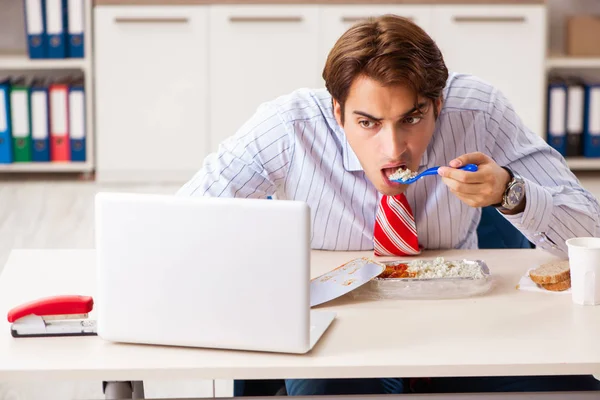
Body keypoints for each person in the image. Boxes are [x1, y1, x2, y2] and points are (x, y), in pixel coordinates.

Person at [177, 14, 600, 395]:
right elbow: (182, 227)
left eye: (412, 119)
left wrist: (512, 192)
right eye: (368, 123)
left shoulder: (478, 110)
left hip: (463, 320)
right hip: (336, 330)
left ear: (438, 105)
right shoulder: (289, 127)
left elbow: (592, 235)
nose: (394, 148)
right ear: (338, 112)